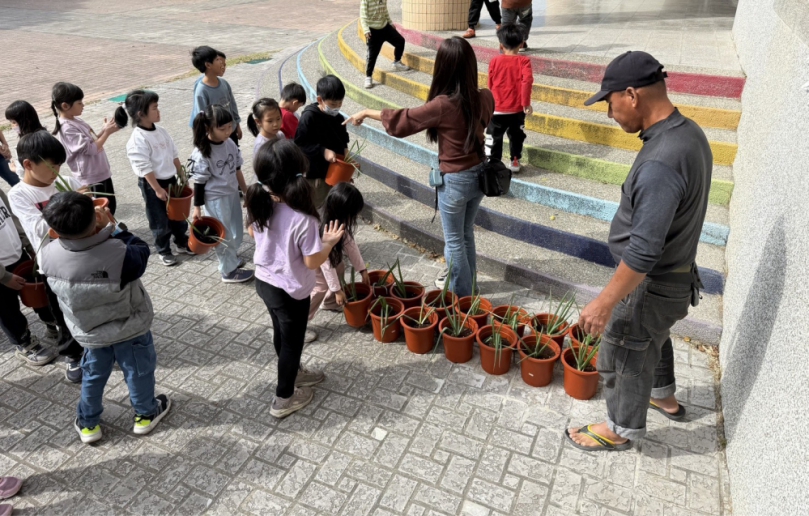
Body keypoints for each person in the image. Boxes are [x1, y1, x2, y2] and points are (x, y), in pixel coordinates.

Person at [565, 51, 712, 452]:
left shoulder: (661, 161)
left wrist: (604, 304)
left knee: (624, 350)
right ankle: (664, 397)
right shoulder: (688, 133)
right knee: (652, 338)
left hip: (652, 284)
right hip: (676, 278)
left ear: (631, 95)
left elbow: (644, 252)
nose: (609, 113)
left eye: (610, 102)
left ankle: (620, 430)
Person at [345, 37, 494, 298]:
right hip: (480, 177)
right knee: (465, 234)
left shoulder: (444, 105)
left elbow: (405, 120)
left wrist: (366, 112)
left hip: (456, 181)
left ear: (443, 67)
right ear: (471, 65)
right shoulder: (485, 96)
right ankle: (470, 290)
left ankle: (461, 299)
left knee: (455, 241)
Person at [40, 192, 171, 443]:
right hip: (130, 328)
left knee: (93, 375)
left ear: (53, 230)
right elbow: (142, 250)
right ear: (96, 221)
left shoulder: (47, 254)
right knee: (138, 371)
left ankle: (88, 423)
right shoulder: (119, 252)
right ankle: (145, 413)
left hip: (90, 332)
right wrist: (114, 226)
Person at [246, 139, 345, 417]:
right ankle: (284, 398)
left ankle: (295, 372)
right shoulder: (304, 219)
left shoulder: (259, 200)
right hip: (291, 292)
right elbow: (312, 261)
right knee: (292, 344)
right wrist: (328, 242)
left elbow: (253, 233)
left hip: (265, 282)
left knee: (280, 332)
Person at [7, 131, 86, 382]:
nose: (57, 171)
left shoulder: (68, 182)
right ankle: (73, 355)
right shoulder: (19, 194)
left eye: (60, 165)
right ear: (28, 164)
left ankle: (98, 346)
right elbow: (39, 228)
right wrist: (73, 205)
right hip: (53, 267)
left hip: (83, 259)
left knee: (86, 307)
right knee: (62, 313)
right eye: (52, 166)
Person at [124, 89, 193, 266]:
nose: (158, 111)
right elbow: (144, 167)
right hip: (152, 184)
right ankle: (163, 250)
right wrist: (157, 189)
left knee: (178, 215)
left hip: (171, 180)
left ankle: (181, 241)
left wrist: (182, 175)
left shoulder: (161, 131)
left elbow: (173, 154)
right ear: (141, 114)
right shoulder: (138, 139)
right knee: (159, 218)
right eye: (154, 108)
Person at [189, 104, 253, 283]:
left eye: (230, 127)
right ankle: (228, 271)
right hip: (216, 199)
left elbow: (237, 169)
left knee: (236, 229)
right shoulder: (202, 152)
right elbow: (199, 183)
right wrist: (197, 208)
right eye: (222, 128)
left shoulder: (230, 143)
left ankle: (231, 259)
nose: (227, 132)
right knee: (223, 234)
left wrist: (246, 191)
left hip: (231, 193)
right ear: (208, 128)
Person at [0, 187, 59, 365]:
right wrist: (3, 276)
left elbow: (13, 220)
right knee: (7, 310)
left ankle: (51, 323)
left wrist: (28, 244)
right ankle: (23, 342)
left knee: (38, 293)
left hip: (17, 254)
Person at [51, 82, 119, 214]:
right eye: (79, 103)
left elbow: (92, 141)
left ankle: (111, 224)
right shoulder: (67, 128)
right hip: (91, 177)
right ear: (65, 106)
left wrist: (104, 130)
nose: (83, 105)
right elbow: (91, 149)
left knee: (110, 206)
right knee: (101, 210)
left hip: (100, 172)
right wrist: (107, 133)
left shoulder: (75, 120)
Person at [308, 182, 370, 323]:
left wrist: (362, 269)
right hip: (314, 260)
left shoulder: (338, 219)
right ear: (342, 211)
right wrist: (337, 290)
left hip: (325, 256)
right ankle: (299, 323)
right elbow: (326, 263)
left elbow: (350, 245)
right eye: (353, 214)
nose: (354, 217)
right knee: (321, 287)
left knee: (340, 267)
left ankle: (330, 302)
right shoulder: (321, 226)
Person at [294, 75, 350, 209]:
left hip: (336, 172)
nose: (337, 108)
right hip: (317, 176)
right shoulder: (309, 117)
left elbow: (343, 139)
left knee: (334, 207)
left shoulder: (339, 118)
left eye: (340, 104)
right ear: (320, 100)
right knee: (318, 208)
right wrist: (322, 151)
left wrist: (345, 150)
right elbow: (300, 144)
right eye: (333, 104)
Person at [485, 23, 533, 173]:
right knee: (516, 135)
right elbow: (527, 81)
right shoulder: (524, 61)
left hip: (497, 107)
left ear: (501, 45)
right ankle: (515, 160)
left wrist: (490, 101)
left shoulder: (494, 61)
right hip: (517, 109)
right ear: (521, 44)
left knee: (493, 136)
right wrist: (526, 103)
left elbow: (490, 83)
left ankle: (492, 162)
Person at [189, 46, 242, 146]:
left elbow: (232, 105)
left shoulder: (224, 83)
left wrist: (237, 125)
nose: (221, 62)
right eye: (217, 59)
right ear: (208, 65)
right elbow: (201, 116)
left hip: (230, 132)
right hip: (215, 137)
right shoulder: (202, 90)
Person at [360, 0, 409, 89]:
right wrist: (366, 30)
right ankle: (368, 76)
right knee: (372, 56)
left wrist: (390, 23)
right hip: (373, 31)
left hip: (385, 27)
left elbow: (385, 11)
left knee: (400, 41)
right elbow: (363, 16)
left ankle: (397, 62)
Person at [5, 100, 48, 180]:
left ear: (25, 121)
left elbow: (25, 171)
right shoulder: (44, 135)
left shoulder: (27, 144)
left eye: (14, 122)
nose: (12, 126)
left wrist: (15, 169)